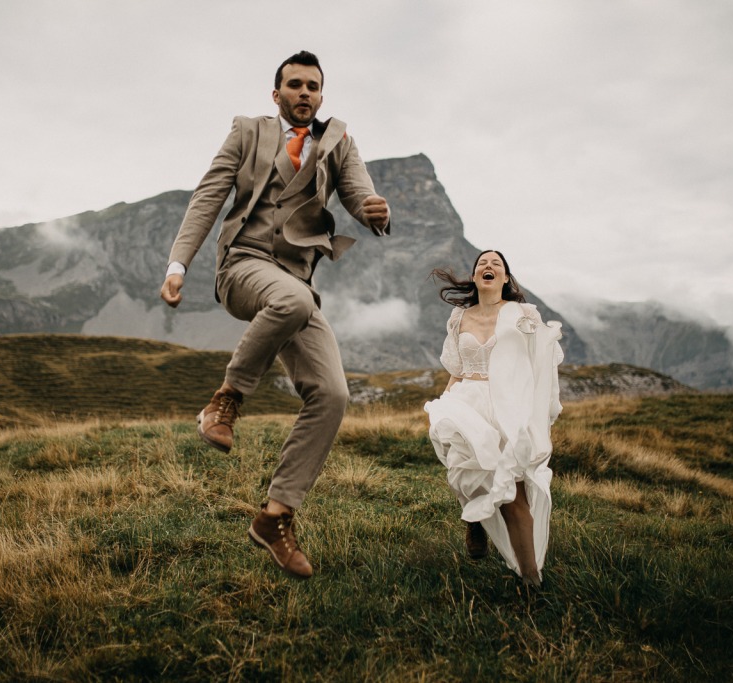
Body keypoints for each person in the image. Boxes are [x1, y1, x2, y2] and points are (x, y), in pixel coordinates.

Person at [159, 50, 391, 580]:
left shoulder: (340, 142)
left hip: (297, 283)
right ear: (277, 93)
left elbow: (361, 197)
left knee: (333, 395)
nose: (305, 93)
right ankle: (227, 399)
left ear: (322, 95)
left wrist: (379, 211)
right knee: (292, 301)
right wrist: (178, 266)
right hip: (243, 266)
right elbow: (207, 197)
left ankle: (276, 516)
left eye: (313, 86)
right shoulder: (247, 131)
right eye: (295, 85)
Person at [424, 250, 563, 588]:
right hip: (467, 401)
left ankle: (531, 579)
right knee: (466, 470)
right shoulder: (458, 318)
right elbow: (456, 370)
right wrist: (444, 404)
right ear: (475, 278)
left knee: (515, 494)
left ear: (505, 279)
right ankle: (476, 520)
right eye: (482, 263)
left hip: (508, 403)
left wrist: (536, 414)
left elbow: (539, 364)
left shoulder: (523, 314)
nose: (488, 266)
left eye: (496, 264)